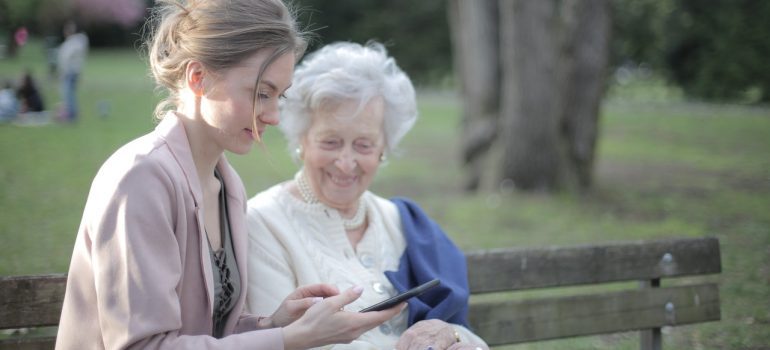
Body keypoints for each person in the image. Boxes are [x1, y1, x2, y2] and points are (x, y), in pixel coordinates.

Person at [55, 1, 402, 349]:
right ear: (198, 77)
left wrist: (273, 322)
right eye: (261, 94)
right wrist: (287, 339)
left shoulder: (227, 185)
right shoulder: (139, 179)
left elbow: (211, 332)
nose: (273, 116)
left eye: (279, 96)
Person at [245, 42, 489, 350]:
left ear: (383, 148)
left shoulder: (401, 221)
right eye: (331, 142)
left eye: (363, 145)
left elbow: (469, 337)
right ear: (302, 139)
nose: (346, 163)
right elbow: (276, 343)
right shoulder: (263, 224)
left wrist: (451, 334)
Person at [57, 20, 88, 122]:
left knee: (68, 94)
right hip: (74, 72)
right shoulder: (77, 42)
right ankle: (71, 114)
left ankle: (71, 115)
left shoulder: (73, 43)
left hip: (70, 72)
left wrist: (63, 71)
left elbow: (66, 58)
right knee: (70, 94)